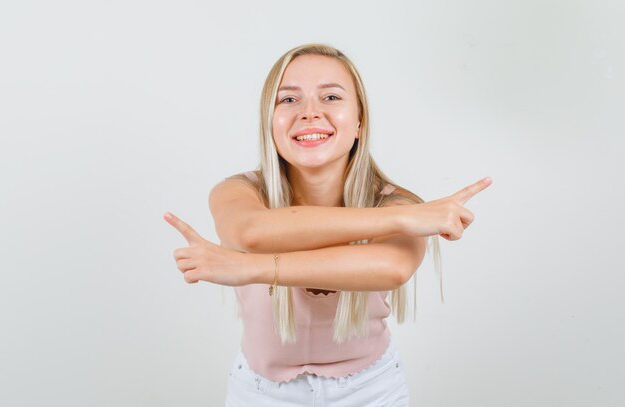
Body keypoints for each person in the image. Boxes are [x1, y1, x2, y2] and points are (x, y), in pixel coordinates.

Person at [163, 43, 491, 406]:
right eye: (288, 100)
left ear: (359, 121)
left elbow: (392, 268)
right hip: (260, 393)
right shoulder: (238, 191)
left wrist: (246, 268)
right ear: (268, 121)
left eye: (331, 96)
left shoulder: (396, 201)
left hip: (371, 391)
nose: (309, 113)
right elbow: (252, 232)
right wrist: (402, 218)